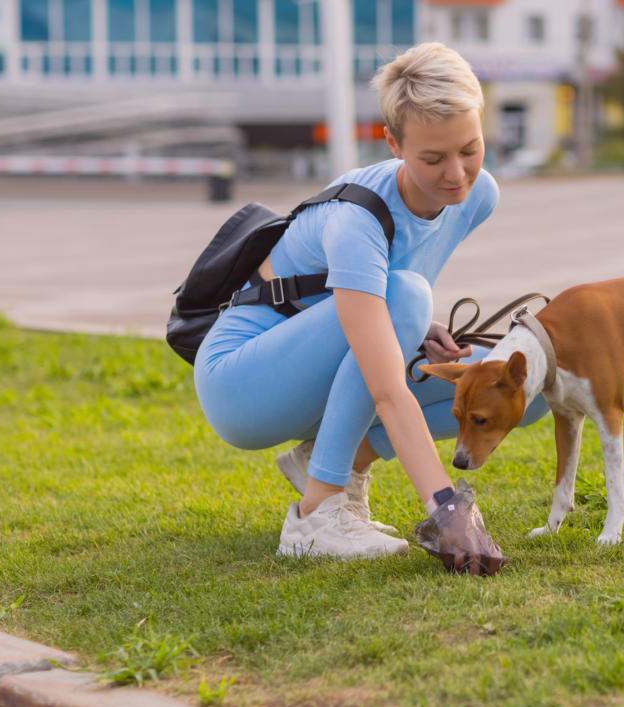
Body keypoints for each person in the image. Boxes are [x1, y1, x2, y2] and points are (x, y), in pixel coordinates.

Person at [193, 43, 550, 560]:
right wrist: (448, 510)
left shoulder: (478, 195)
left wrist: (414, 326)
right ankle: (316, 515)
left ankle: (333, 458)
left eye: (470, 149)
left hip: (319, 358)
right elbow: (386, 381)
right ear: (393, 144)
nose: (456, 173)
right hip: (242, 382)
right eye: (433, 158)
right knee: (404, 297)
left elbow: (381, 292)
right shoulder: (358, 220)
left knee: (523, 388)